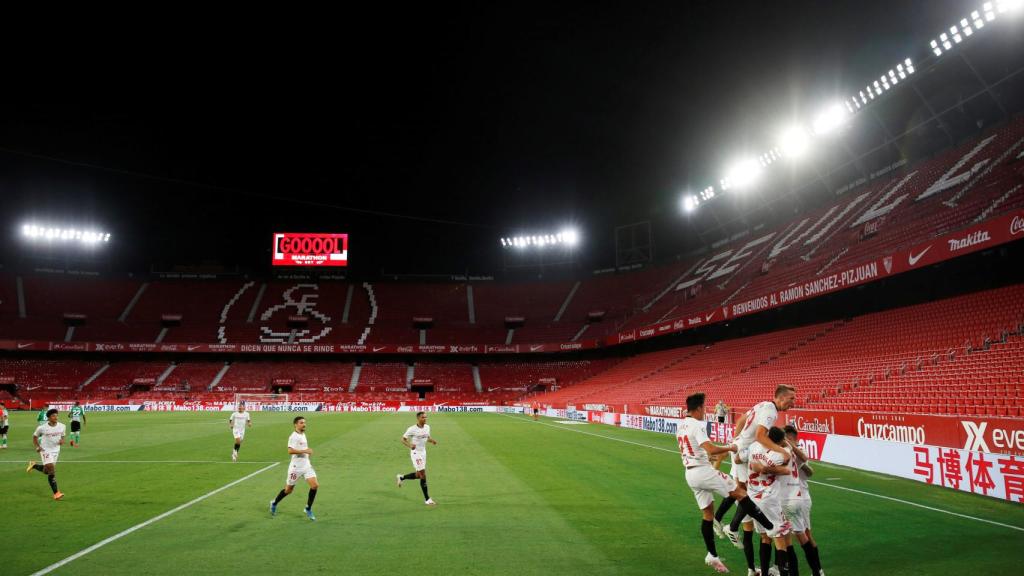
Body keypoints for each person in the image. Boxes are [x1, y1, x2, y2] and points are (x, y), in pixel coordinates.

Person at [678, 393, 781, 574]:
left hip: (690, 473)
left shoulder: (681, 425)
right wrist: (730, 447)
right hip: (703, 471)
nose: (706, 411)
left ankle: (712, 554)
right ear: (699, 408)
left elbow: (695, 449)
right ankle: (771, 527)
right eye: (705, 407)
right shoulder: (696, 425)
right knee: (741, 493)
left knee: (708, 513)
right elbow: (710, 448)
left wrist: (709, 455)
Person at [720, 385, 796, 557]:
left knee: (744, 490)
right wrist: (780, 451)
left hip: (741, 448)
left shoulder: (762, 405)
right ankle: (732, 527)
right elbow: (760, 436)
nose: (793, 402)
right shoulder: (771, 412)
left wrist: (737, 440)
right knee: (750, 492)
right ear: (781, 397)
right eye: (791, 398)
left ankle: (732, 525)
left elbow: (741, 420)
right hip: (746, 452)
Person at [749, 426, 794, 576]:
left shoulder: (754, 446)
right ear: (780, 441)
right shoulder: (779, 454)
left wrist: (760, 467)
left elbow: (738, 458)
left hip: (753, 498)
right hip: (769, 499)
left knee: (764, 536)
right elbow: (787, 463)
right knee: (779, 538)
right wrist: (769, 469)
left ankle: (765, 571)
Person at [783, 425, 825, 576]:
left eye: (787, 437)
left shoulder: (799, 451)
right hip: (788, 496)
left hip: (801, 497)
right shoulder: (784, 451)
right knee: (785, 534)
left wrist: (802, 466)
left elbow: (810, 471)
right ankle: (784, 568)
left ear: (793, 438)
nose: (785, 440)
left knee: (805, 534)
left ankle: (818, 569)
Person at [269, 416, 318, 520]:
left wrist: (307, 453)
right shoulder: (293, 436)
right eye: (301, 423)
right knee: (288, 490)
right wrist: (305, 451)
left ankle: (308, 508)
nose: (304, 424)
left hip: (306, 465)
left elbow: (302, 448)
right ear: (295, 424)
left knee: (314, 486)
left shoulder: (303, 434)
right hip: (295, 468)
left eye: (304, 422)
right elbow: (290, 451)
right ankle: (274, 502)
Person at [396, 411, 438, 506]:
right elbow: (403, 439)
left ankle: (402, 477)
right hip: (416, 453)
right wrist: (410, 445)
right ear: (418, 418)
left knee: (419, 475)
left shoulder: (427, 427)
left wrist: (432, 441)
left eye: (426, 417)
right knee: (423, 474)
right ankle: (427, 499)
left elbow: (427, 437)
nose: (425, 419)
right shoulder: (412, 429)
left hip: (423, 452)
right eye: (423, 417)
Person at [27, 408, 66, 500]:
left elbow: (63, 435)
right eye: (53, 416)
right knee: (51, 469)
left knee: (46, 471)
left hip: (56, 450)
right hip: (45, 449)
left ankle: (34, 465)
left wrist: (62, 440)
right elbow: (35, 437)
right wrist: (37, 446)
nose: (55, 417)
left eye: (56, 415)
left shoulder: (62, 426)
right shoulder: (42, 428)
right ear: (48, 418)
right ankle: (56, 493)